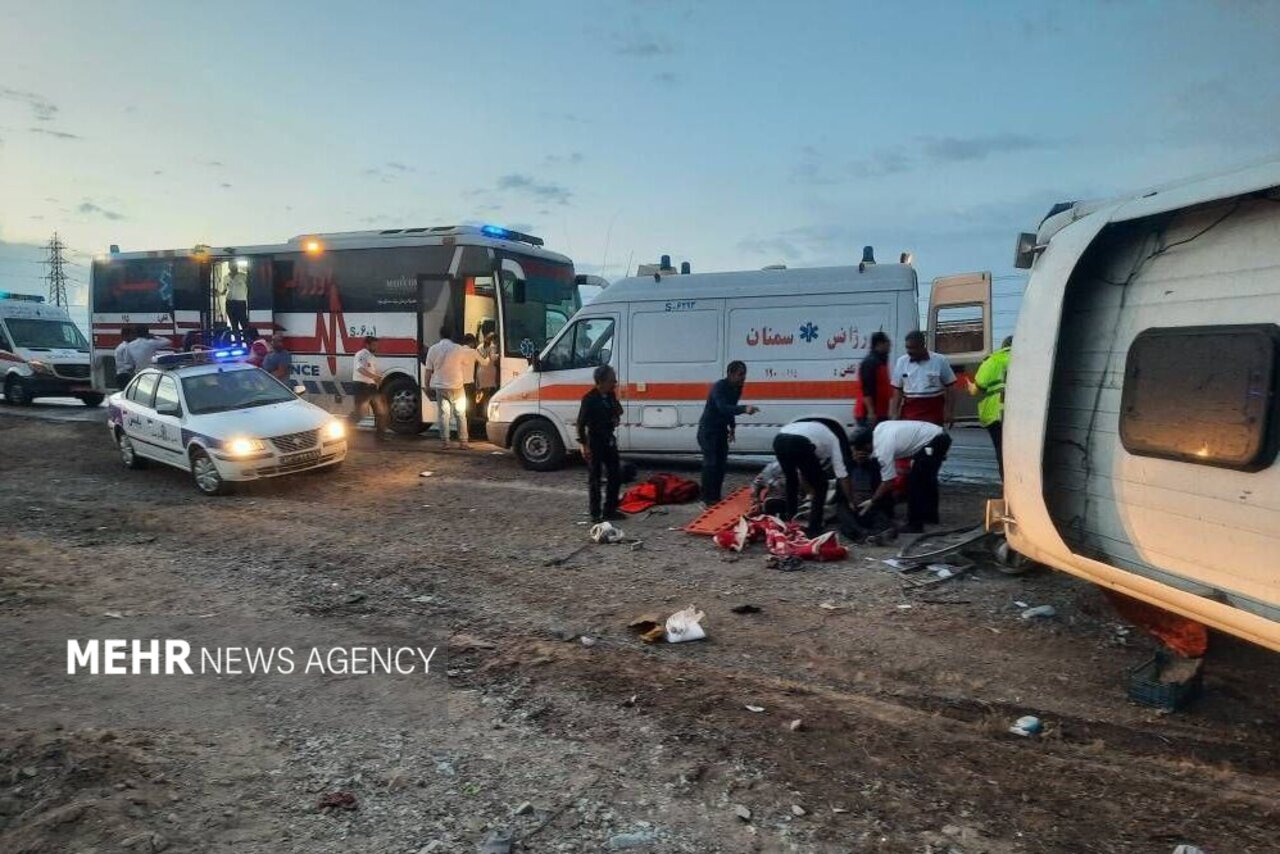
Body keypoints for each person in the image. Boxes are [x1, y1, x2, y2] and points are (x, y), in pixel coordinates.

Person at [852, 420, 950, 533]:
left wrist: (873, 501)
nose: (864, 453)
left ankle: (915, 524)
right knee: (927, 479)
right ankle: (930, 517)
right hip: (937, 434)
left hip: (934, 441)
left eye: (863, 450)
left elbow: (888, 481)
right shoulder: (879, 429)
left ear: (868, 445)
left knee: (916, 483)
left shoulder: (883, 448)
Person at [771, 419, 856, 538]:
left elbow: (804, 472)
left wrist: (811, 494)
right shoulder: (834, 441)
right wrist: (850, 500)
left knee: (791, 480)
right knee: (822, 485)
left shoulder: (818, 433)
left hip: (779, 440)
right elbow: (842, 475)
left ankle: (790, 520)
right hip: (799, 443)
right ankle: (814, 528)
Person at [696, 361, 759, 505]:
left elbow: (731, 408)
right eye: (740, 375)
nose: (743, 378)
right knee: (710, 464)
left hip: (721, 430)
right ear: (730, 373)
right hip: (708, 430)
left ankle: (715, 497)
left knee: (721, 464)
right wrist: (744, 409)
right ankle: (706, 498)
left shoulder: (737, 387)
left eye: (744, 375)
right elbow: (723, 408)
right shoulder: (719, 387)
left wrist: (732, 428)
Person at [576, 364, 624, 523]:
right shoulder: (589, 399)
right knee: (595, 478)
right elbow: (580, 424)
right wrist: (584, 444)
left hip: (608, 439)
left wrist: (615, 416)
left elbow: (618, 410)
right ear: (601, 381)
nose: (615, 383)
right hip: (595, 441)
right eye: (612, 380)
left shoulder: (610, 396)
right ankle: (595, 513)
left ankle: (610, 509)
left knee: (615, 475)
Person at [889, 330, 956, 427]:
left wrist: (949, 412)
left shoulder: (940, 360)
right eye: (907, 347)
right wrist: (894, 414)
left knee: (934, 441)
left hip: (934, 415)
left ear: (922, 345)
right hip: (910, 415)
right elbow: (897, 391)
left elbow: (951, 388)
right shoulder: (901, 362)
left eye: (913, 348)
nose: (909, 351)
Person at [973, 336, 1012, 481]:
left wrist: (970, 386)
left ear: (1003, 346)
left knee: (1001, 450)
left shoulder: (992, 361)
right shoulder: (1026, 360)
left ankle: (1006, 484)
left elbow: (977, 389)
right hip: (1021, 416)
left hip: (996, 415)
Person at [423, 328, 464, 448]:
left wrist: (427, 385)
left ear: (440, 335)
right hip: (457, 386)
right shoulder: (458, 348)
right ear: (451, 335)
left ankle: (446, 442)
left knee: (443, 415)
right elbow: (465, 364)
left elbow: (428, 370)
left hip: (441, 386)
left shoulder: (433, 349)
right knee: (461, 414)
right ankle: (463, 442)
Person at [350, 334, 386, 438]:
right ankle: (344, 429)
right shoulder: (361, 354)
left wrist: (376, 381)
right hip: (361, 386)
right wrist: (374, 377)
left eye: (376, 345)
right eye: (374, 345)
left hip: (371, 387)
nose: (376, 347)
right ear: (367, 345)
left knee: (380, 412)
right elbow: (360, 369)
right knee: (359, 413)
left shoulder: (372, 357)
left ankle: (380, 436)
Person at [855, 331, 893, 428]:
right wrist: (871, 413)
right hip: (869, 414)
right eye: (887, 343)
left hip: (881, 412)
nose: (890, 346)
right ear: (880, 344)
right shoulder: (870, 362)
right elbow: (867, 389)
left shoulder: (881, 361)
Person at [474, 330, 499, 414]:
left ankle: (481, 412)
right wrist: (499, 355)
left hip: (480, 372)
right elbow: (493, 358)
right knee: (490, 395)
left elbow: (476, 361)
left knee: (483, 394)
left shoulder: (479, 347)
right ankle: (488, 413)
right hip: (490, 372)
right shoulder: (492, 347)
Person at [224, 263, 250, 338]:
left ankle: (247, 342)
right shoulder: (225, 277)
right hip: (229, 303)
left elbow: (250, 287)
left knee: (244, 323)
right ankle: (238, 344)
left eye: (234, 265)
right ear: (229, 266)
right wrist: (219, 293)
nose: (233, 267)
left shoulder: (244, 276)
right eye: (231, 265)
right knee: (234, 325)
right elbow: (225, 290)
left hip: (240, 303)